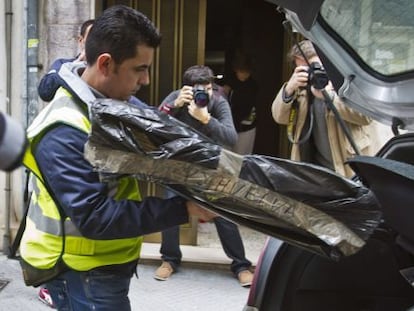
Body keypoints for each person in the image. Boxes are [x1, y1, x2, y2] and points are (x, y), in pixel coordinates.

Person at [20, 6, 214, 311]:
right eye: (140, 69)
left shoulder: (111, 104)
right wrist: (183, 208)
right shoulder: (63, 130)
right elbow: (95, 217)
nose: (147, 80)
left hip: (102, 266)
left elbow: (161, 138)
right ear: (106, 64)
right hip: (81, 273)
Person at [157, 65, 254, 287]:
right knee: (169, 210)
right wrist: (173, 105)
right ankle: (169, 260)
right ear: (187, 89)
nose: (204, 93)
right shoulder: (177, 98)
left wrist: (206, 119)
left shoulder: (218, 101)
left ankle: (240, 265)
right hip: (177, 165)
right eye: (199, 90)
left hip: (210, 166)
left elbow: (230, 137)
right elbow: (152, 123)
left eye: (209, 88)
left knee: (222, 213)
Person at [271, 39, 382, 178]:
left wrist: (329, 97)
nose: (311, 72)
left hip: (348, 170)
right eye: (303, 69)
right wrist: (288, 90)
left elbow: (365, 117)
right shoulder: (301, 89)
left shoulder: (347, 81)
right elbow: (279, 117)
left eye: (314, 66)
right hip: (315, 170)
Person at [37, 19, 94, 102]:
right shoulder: (63, 65)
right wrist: (75, 65)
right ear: (81, 41)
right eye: (91, 38)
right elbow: (45, 92)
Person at [223, 50, 258, 155]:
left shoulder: (253, 86)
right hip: (228, 125)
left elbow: (248, 107)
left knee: (242, 157)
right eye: (241, 71)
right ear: (236, 70)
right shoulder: (227, 84)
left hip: (246, 126)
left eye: (246, 72)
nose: (244, 75)